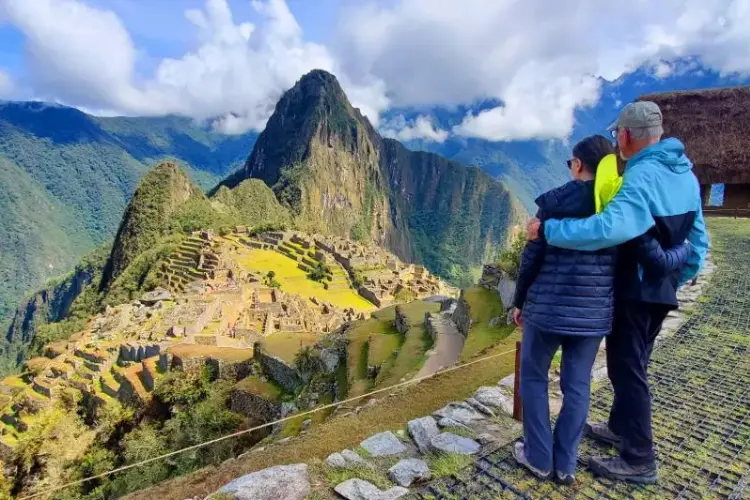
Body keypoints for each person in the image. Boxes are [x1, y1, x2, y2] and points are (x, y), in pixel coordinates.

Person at [526, 101, 709, 484]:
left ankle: (639, 459)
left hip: (636, 290)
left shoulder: (640, 178)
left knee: (627, 370)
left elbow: (607, 229)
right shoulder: (687, 177)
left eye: (617, 134)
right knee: (631, 362)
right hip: (661, 290)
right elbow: (698, 240)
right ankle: (620, 427)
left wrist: (550, 231)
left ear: (624, 136)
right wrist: (676, 277)